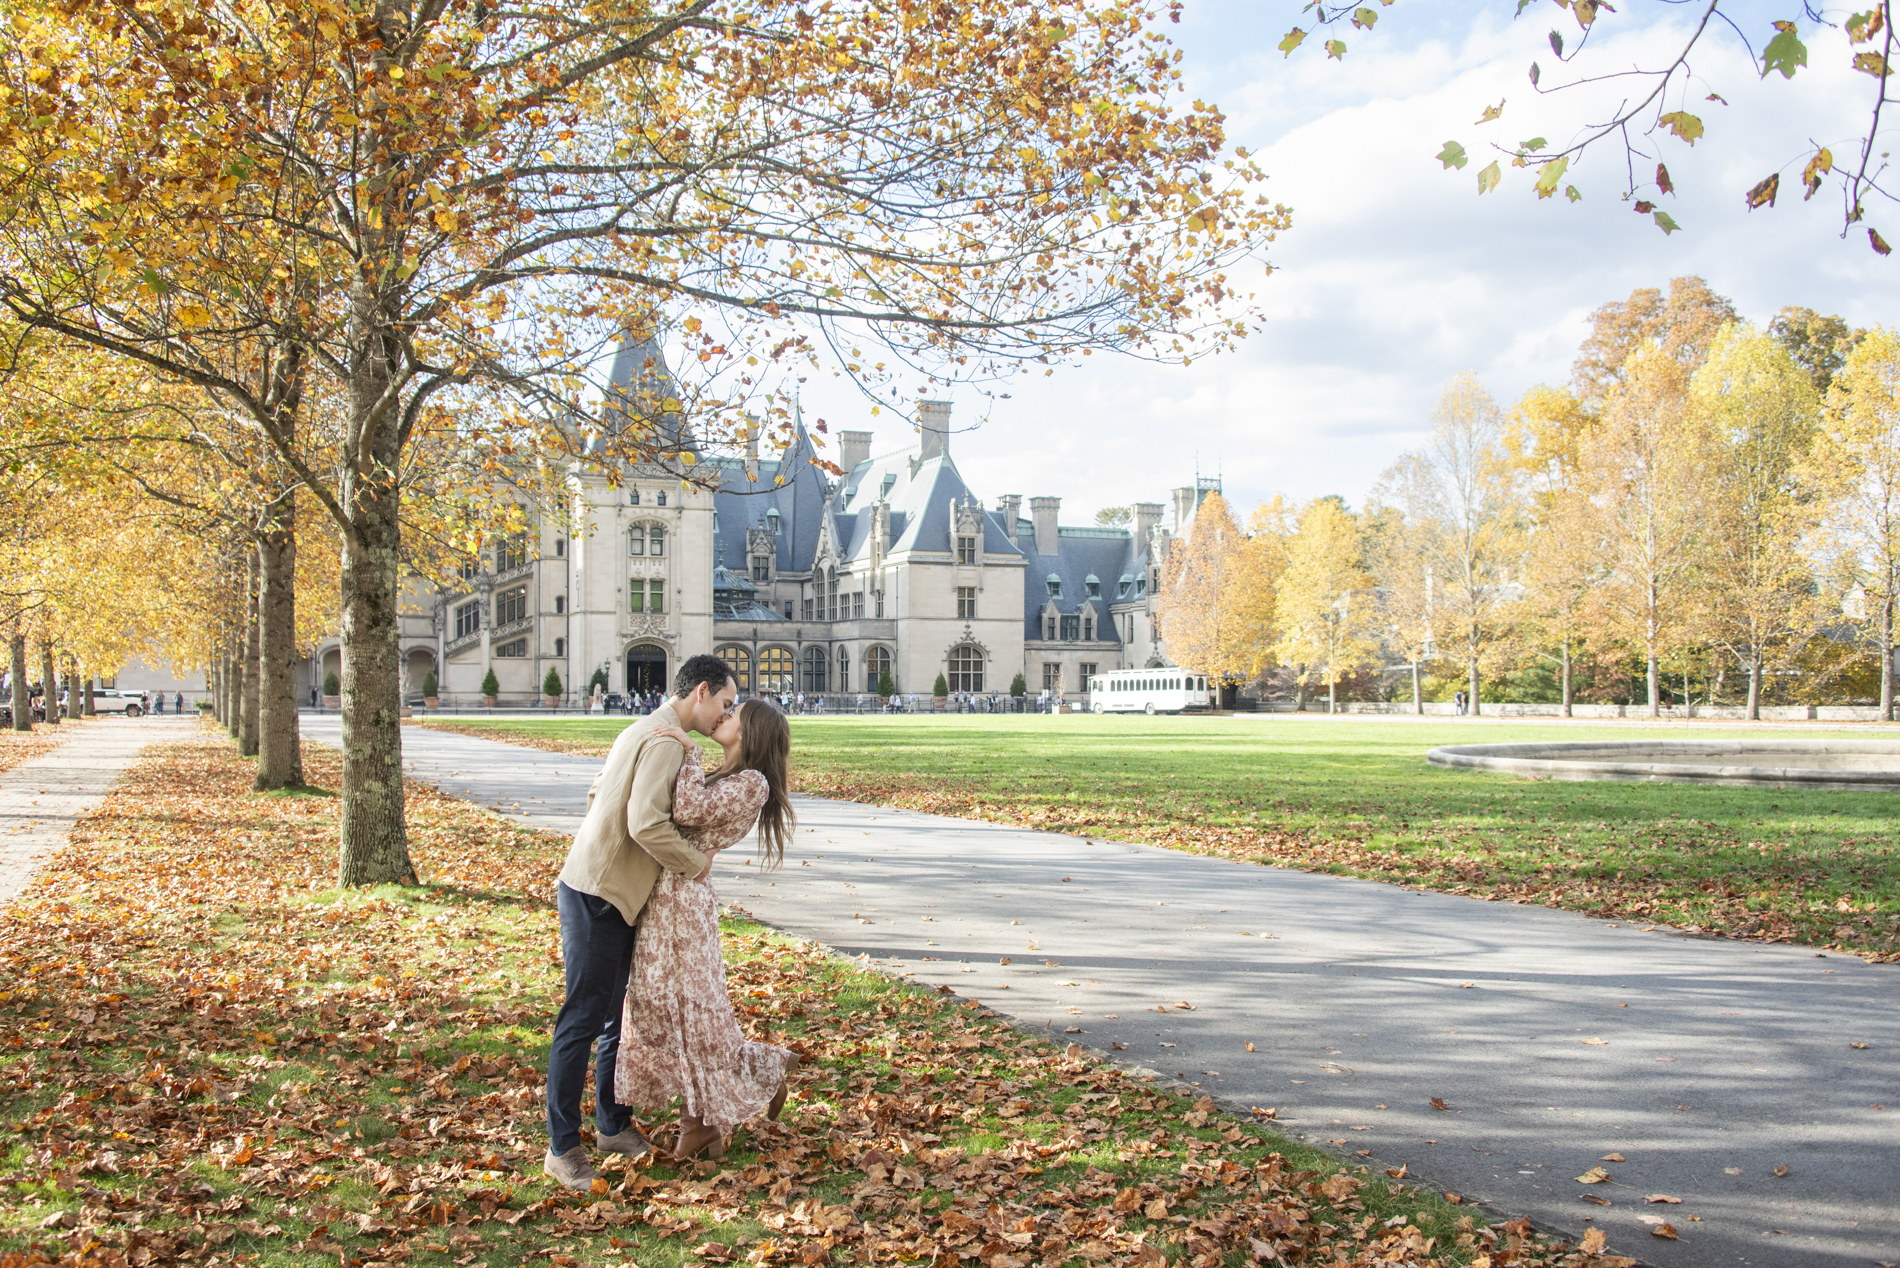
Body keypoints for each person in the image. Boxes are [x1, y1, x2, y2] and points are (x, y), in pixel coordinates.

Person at [543, 654, 737, 1191]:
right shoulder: (667, 742)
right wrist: (695, 864)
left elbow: (598, 792)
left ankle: (612, 1125)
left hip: (604, 889)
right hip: (599, 894)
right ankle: (562, 1148)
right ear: (701, 691)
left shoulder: (643, 726)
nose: (727, 714)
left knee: (612, 1018)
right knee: (584, 1019)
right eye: (725, 703)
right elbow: (645, 822)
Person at [618, 699, 797, 1159]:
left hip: (685, 903)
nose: (723, 715)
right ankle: (720, 1105)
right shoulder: (727, 775)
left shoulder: (753, 782)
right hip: (666, 895)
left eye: (734, 712)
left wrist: (687, 751)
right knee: (660, 1006)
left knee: (692, 1012)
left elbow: (688, 809)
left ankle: (700, 1122)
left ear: (750, 731)